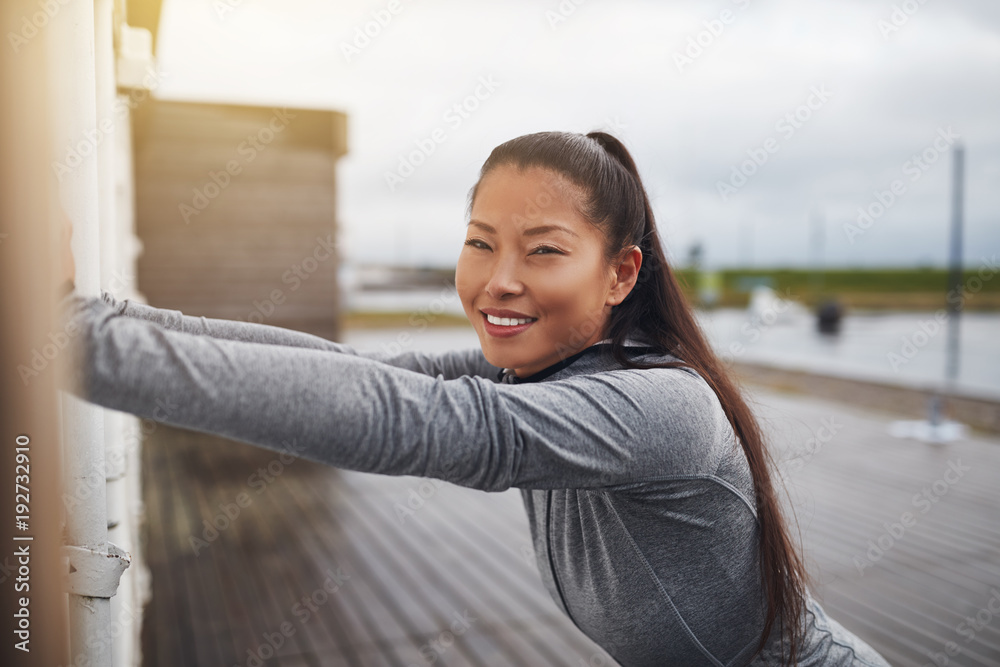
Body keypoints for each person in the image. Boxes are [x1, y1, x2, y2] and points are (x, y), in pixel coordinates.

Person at [56, 130, 891, 667]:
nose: (499, 281)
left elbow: (414, 422)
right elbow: (368, 376)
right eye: (480, 244)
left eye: (544, 251)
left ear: (621, 273)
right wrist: (100, 319)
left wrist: (62, 347)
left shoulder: (660, 409)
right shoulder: (535, 372)